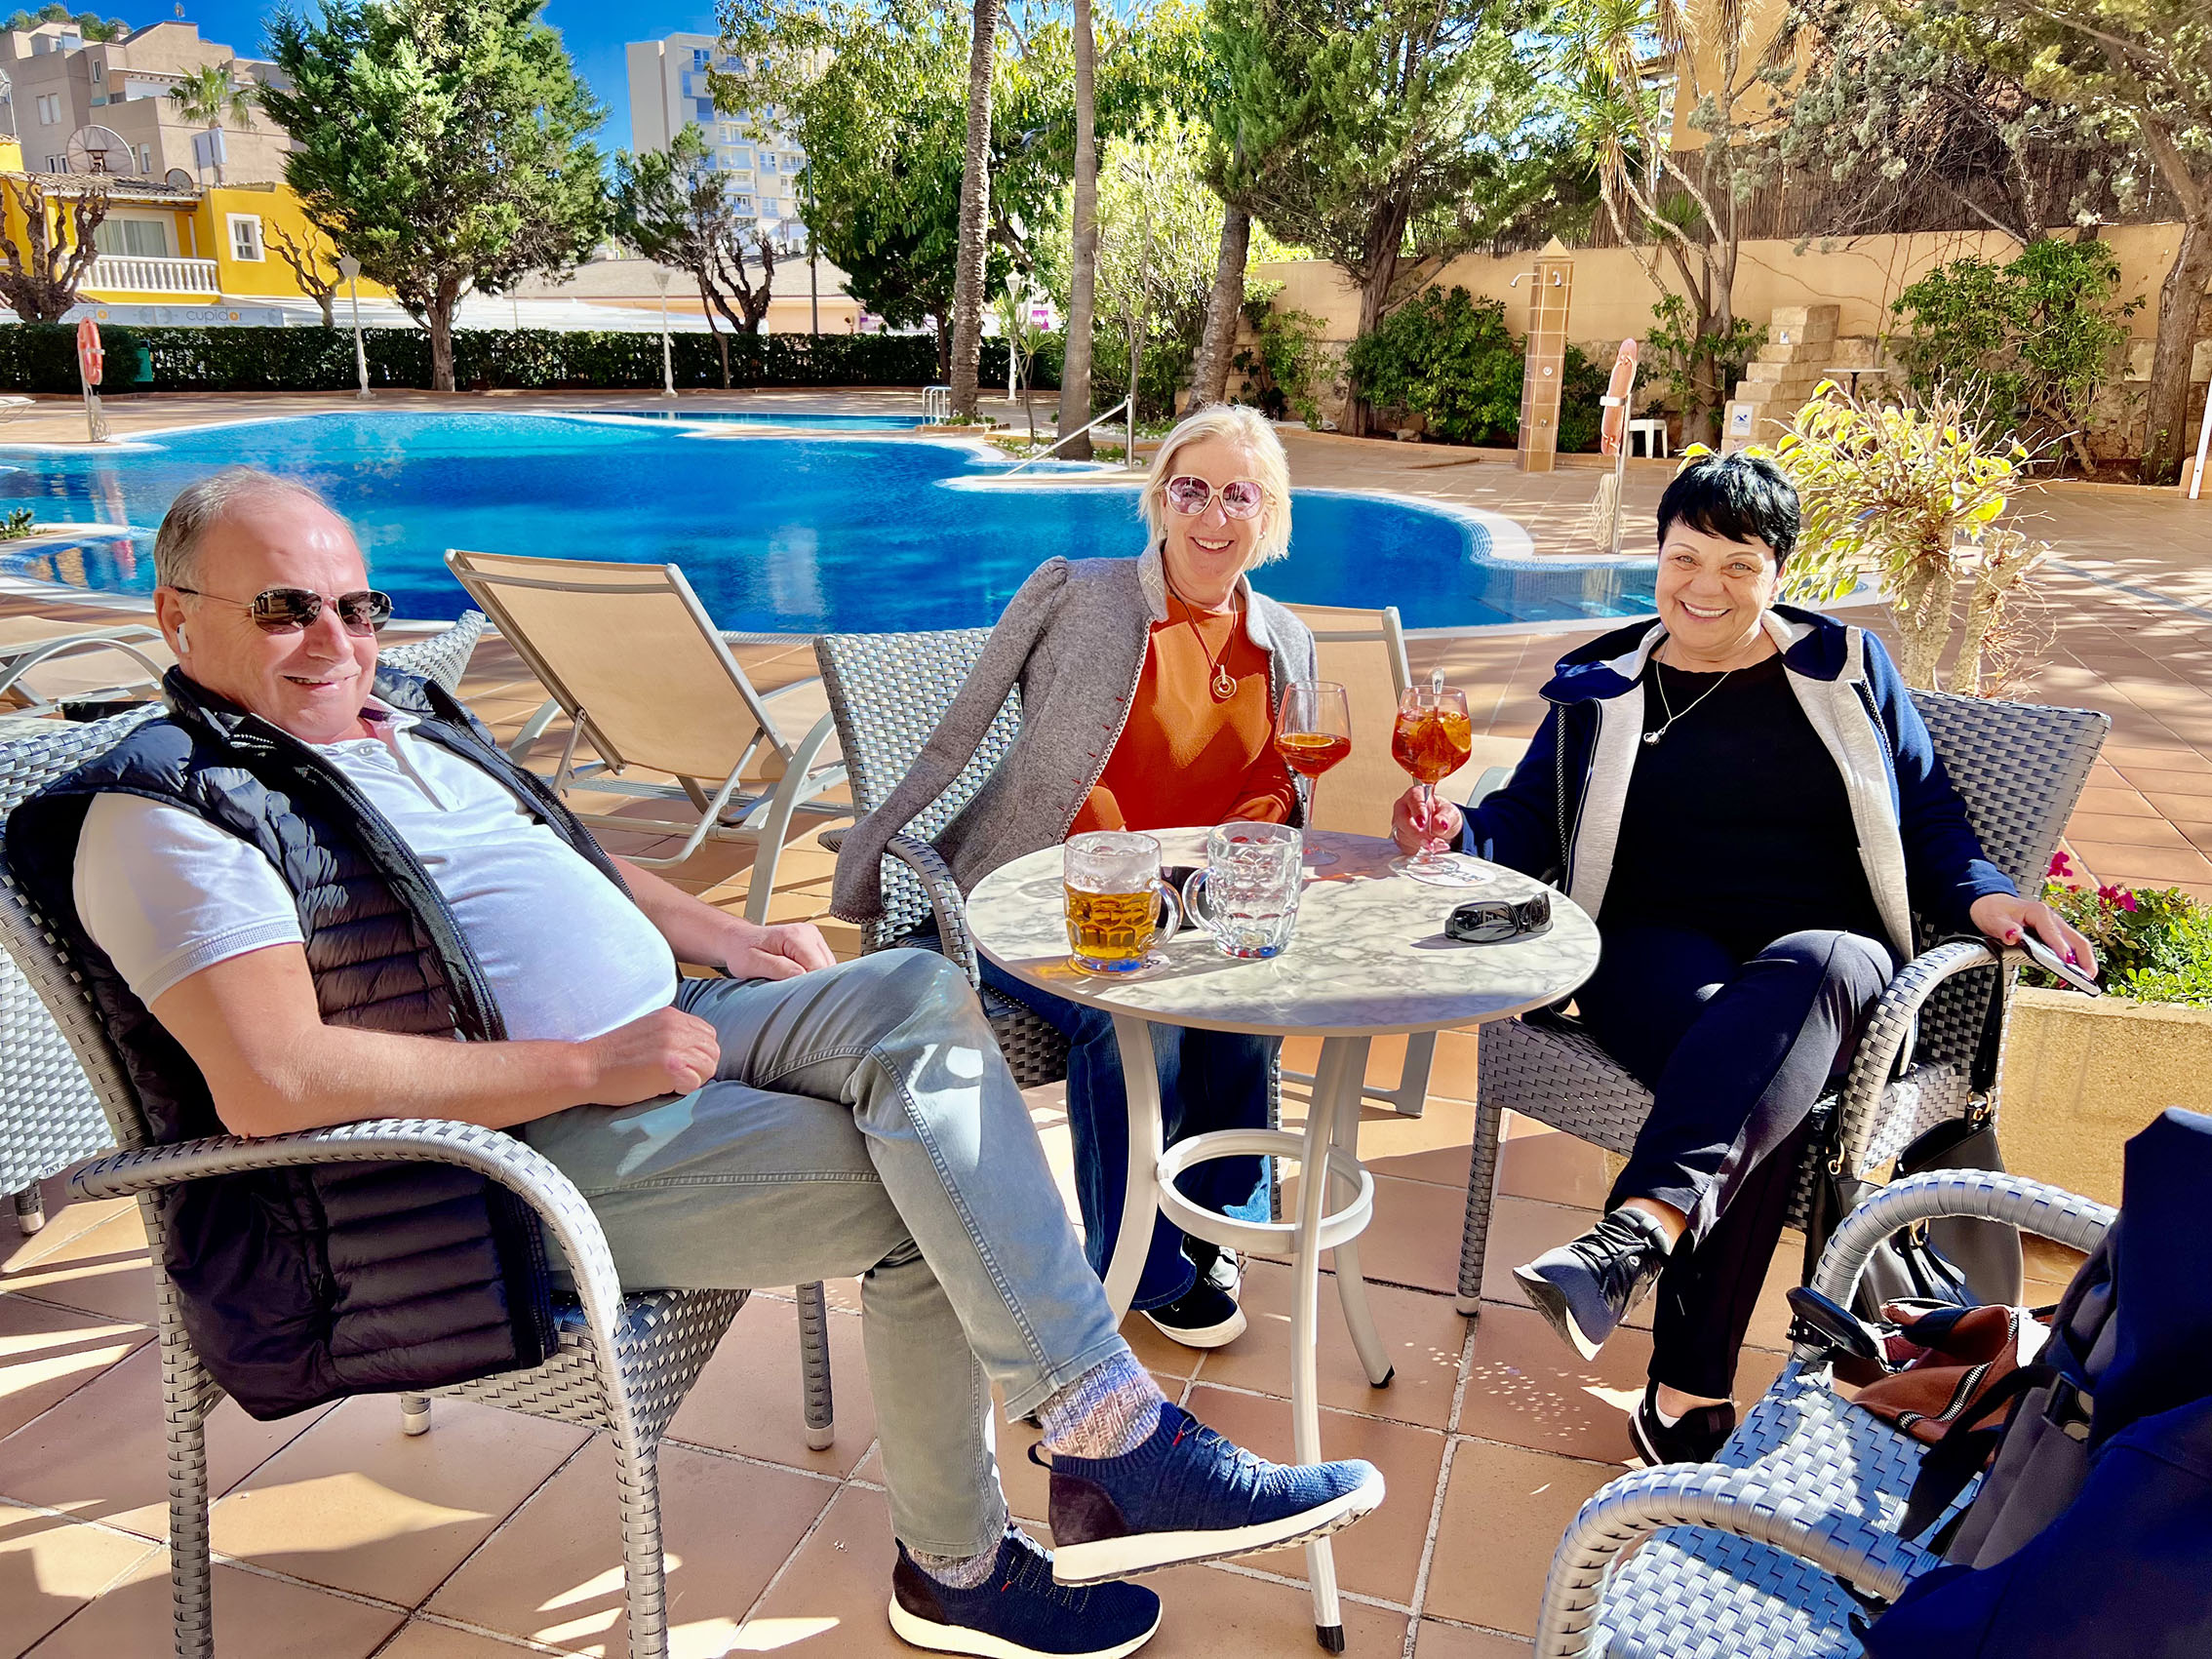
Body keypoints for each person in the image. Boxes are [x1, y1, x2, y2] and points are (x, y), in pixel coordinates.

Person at [13, 468, 1384, 1659]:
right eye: (285, 609)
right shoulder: (169, 814)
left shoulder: (402, 715)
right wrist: (582, 1067)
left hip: (671, 1022)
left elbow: (572, 860)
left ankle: (1090, 1444)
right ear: (177, 616)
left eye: (355, 607)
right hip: (505, 1154)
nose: (336, 642)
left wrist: (728, 934)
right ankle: (1013, 1520)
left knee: (913, 990)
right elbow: (275, 1083)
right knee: (938, 1185)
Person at [1390, 453, 2095, 1466]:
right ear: (1658, 555)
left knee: (1807, 988)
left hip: (1825, 964)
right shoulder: (1603, 682)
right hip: (1650, 950)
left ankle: (1639, 1246)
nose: (1705, 586)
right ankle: (1679, 1370)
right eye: (1685, 557)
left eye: (1739, 563)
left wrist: (1987, 896)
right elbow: (1525, 822)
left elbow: (1931, 816)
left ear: (1780, 572)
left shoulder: (1846, 667)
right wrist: (1456, 833)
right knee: (1763, 1079)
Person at [832, 405, 1313, 1351]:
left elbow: (1278, 788)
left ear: (1270, 514)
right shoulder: (1077, 595)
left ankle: (1218, 1218)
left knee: (1249, 992)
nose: (1212, 516)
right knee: (1132, 1011)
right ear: (1160, 500)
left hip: (1191, 908)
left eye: (1238, 494)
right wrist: (875, 851)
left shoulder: (1285, 640)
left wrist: (1236, 882)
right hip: (1036, 900)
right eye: (1191, 490)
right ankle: (1143, 1262)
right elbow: (959, 733)